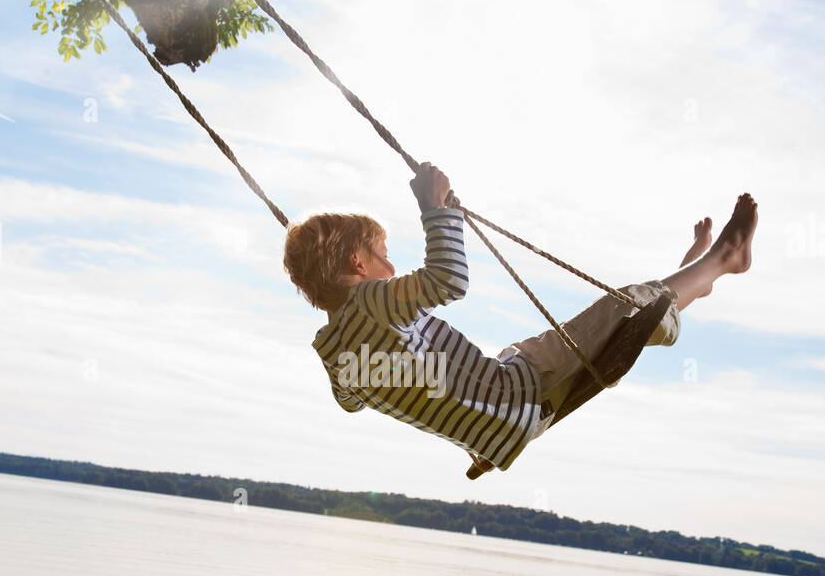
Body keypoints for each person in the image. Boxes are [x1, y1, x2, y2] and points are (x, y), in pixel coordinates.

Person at [282, 164, 758, 472]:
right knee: (627, 306)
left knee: (617, 330)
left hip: (499, 426)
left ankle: (693, 276)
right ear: (356, 264)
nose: (391, 267)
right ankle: (724, 259)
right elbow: (448, 280)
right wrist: (434, 211)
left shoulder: (332, 354)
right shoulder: (373, 300)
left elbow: (352, 402)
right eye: (383, 256)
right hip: (520, 393)